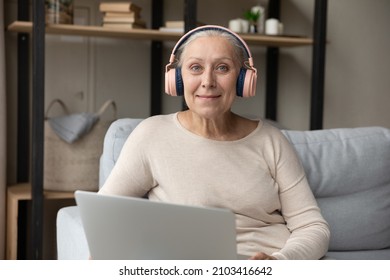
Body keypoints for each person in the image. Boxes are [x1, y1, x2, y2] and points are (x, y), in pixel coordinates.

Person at [99, 25, 330, 260]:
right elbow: (103, 215)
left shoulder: (271, 141)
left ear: (242, 79)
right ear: (177, 78)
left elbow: (312, 227)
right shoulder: (151, 135)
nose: (208, 81)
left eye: (222, 68)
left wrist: (281, 262)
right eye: (195, 67)